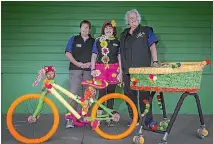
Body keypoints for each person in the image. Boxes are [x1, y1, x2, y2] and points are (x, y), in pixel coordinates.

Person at [119, 9, 159, 128]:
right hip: (127, 71)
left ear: (138, 18)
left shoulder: (146, 30)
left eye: (135, 17)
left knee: (144, 96)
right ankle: (134, 119)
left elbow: (152, 46)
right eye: (130, 18)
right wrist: (120, 71)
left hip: (143, 70)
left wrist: (155, 61)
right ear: (127, 20)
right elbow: (120, 53)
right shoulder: (123, 34)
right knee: (129, 96)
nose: (133, 19)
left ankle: (148, 120)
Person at [90, 20, 122, 126]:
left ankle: (109, 118)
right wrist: (93, 69)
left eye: (110, 28)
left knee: (111, 94)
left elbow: (119, 57)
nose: (108, 30)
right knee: (102, 93)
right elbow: (94, 55)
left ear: (113, 30)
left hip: (114, 69)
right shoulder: (98, 40)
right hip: (100, 69)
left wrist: (121, 72)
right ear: (103, 30)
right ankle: (98, 118)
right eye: (106, 28)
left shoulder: (118, 41)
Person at [64, 20, 95, 128]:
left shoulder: (93, 41)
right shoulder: (74, 39)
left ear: (89, 29)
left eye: (87, 27)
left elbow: (96, 55)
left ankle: (88, 118)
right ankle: (70, 119)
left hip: (88, 70)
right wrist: (78, 63)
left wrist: (90, 64)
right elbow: (67, 53)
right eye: (83, 27)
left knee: (89, 95)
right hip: (75, 69)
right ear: (80, 28)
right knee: (73, 94)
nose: (85, 29)